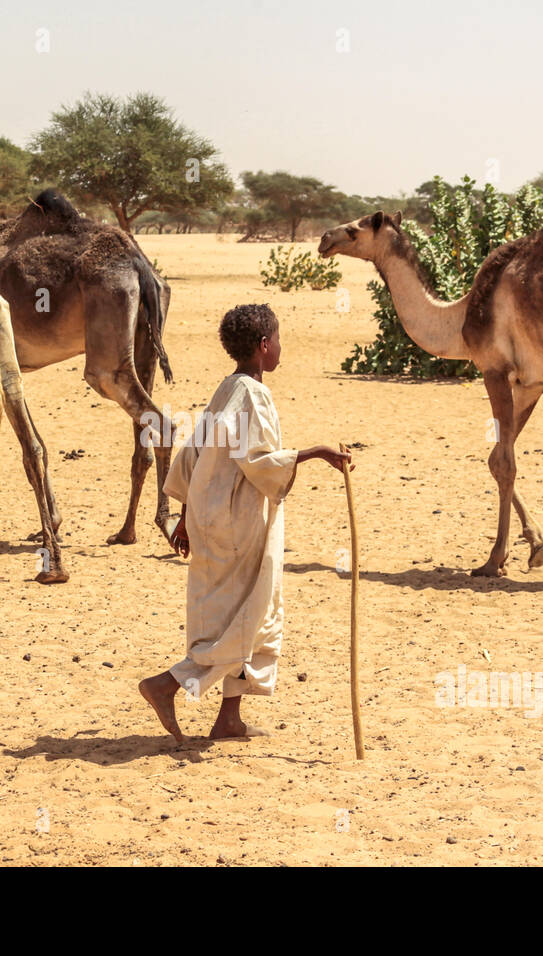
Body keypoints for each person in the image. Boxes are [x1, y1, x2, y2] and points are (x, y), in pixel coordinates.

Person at [139, 303, 353, 742]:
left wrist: (184, 515)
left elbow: (195, 451)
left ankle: (229, 719)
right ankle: (166, 684)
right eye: (276, 340)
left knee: (246, 609)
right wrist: (313, 453)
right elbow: (257, 461)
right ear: (262, 346)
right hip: (238, 521)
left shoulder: (228, 388)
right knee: (249, 615)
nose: (279, 348)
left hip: (211, 515)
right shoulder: (254, 396)